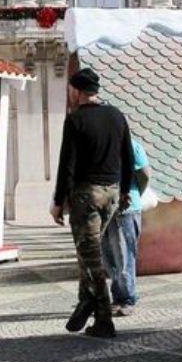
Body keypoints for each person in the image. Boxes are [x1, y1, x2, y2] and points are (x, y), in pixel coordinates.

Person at [51, 67, 134, 339]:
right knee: (88, 253)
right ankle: (84, 300)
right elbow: (128, 157)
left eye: (70, 91)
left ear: (77, 90)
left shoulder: (75, 120)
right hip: (111, 194)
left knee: (92, 258)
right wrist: (124, 192)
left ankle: (103, 318)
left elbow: (67, 165)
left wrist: (58, 201)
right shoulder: (117, 116)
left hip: (86, 195)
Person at [101, 138, 150, 317]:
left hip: (126, 208)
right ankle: (118, 296)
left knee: (124, 257)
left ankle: (127, 298)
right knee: (110, 257)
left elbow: (145, 174)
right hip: (105, 208)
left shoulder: (132, 145)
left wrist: (135, 193)